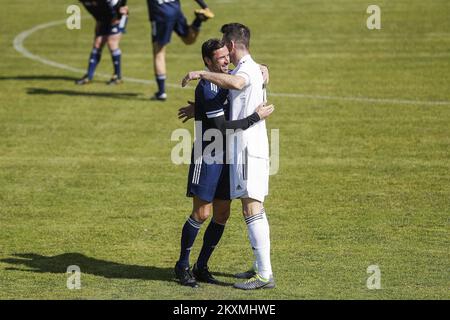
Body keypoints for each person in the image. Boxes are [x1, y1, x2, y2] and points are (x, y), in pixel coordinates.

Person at [181, 23, 275, 290]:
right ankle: (183, 265)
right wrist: (199, 106)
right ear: (208, 60)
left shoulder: (238, 72)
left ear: (232, 47)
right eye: (219, 57)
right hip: (211, 154)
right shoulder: (217, 82)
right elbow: (222, 119)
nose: (225, 60)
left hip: (240, 150)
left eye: (226, 53)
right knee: (203, 213)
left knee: (233, 211)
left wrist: (201, 75)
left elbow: (237, 82)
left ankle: (258, 272)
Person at [146, 0, 215, 101]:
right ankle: (198, 20)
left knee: (158, 52)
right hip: (175, 10)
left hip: (160, 14)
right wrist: (204, 6)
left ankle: (161, 92)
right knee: (188, 39)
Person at [76, 0, 129, 85]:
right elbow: (96, 10)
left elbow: (119, 9)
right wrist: (99, 22)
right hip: (104, 18)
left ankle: (117, 76)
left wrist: (116, 21)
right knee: (97, 43)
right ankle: (89, 76)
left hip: (118, 17)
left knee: (112, 43)